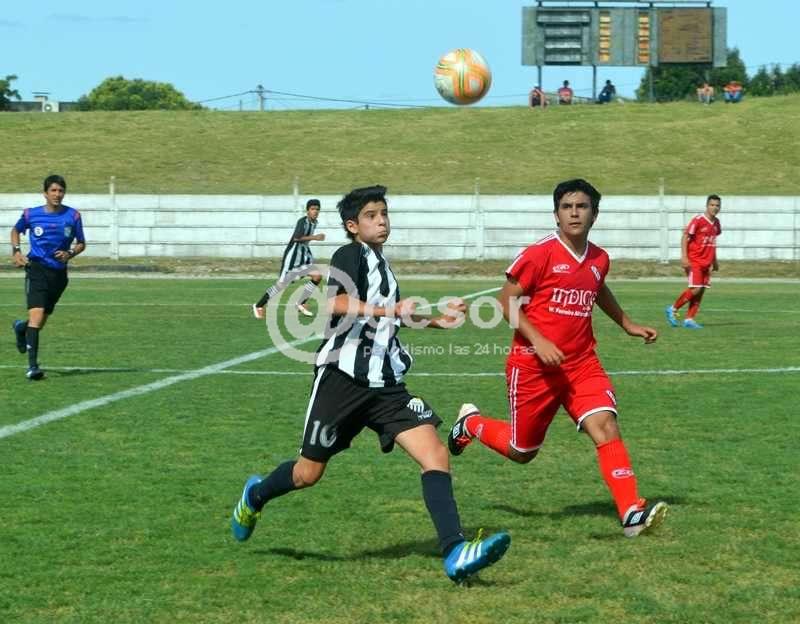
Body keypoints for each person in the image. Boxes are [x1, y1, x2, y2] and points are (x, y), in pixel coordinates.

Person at [231, 185, 511, 583]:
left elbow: (390, 317)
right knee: (307, 474)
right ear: (352, 226)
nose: (381, 222)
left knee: (435, 454)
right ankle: (255, 495)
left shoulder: (383, 265)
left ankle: (455, 552)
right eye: (371, 216)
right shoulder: (349, 255)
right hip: (342, 381)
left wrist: (438, 321)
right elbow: (336, 303)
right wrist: (389, 308)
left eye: (384, 214)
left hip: (386, 385)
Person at [447, 178, 668, 538]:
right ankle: (471, 424)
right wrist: (538, 341)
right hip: (532, 367)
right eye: (567, 207)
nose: (574, 213)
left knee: (605, 425)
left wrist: (627, 323)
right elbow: (505, 301)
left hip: (581, 364)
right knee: (522, 451)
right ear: (556, 215)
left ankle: (631, 513)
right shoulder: (539, 254)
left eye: (582, 207)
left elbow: (597, 288)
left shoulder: (599, 258)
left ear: (594, 214)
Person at [10, 174, 86, 380]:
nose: (57, 194)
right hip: (36, 269)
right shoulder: (31, 214)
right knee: (36, 316)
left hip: (59, 275)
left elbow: (81, 243)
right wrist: (16, 251)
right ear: (45, 193)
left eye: (60, 191)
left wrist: (70, 253)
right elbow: (15, 230)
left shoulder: (73, 216)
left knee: (39, 321)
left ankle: (21, 328)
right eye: (53, 190)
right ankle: (33, 367)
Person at [252, 198, 325, 319]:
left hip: (304, 254)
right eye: (313, 209)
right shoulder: (303, 221)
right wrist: (315, 237)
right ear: (307, 210)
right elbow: (296, 238)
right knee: (281, 284)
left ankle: (300, 303)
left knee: (317, 276)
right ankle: (259, 305)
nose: (315, 211)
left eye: (317, 209)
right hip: (293, 257)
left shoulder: (314, 222)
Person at [665, 195, 722, 329]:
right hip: (694, 260)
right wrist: (684, 257)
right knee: (696, 288)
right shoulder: (698, 220)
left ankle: (689, 319)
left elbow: (712, 243)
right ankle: (672, 309)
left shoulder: (717, 223)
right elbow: (685, 237)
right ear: (707, 206)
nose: (715, 208)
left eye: (717, 205)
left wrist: (714, 261)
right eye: (712, 205)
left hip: (707, 263)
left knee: (701, 291)